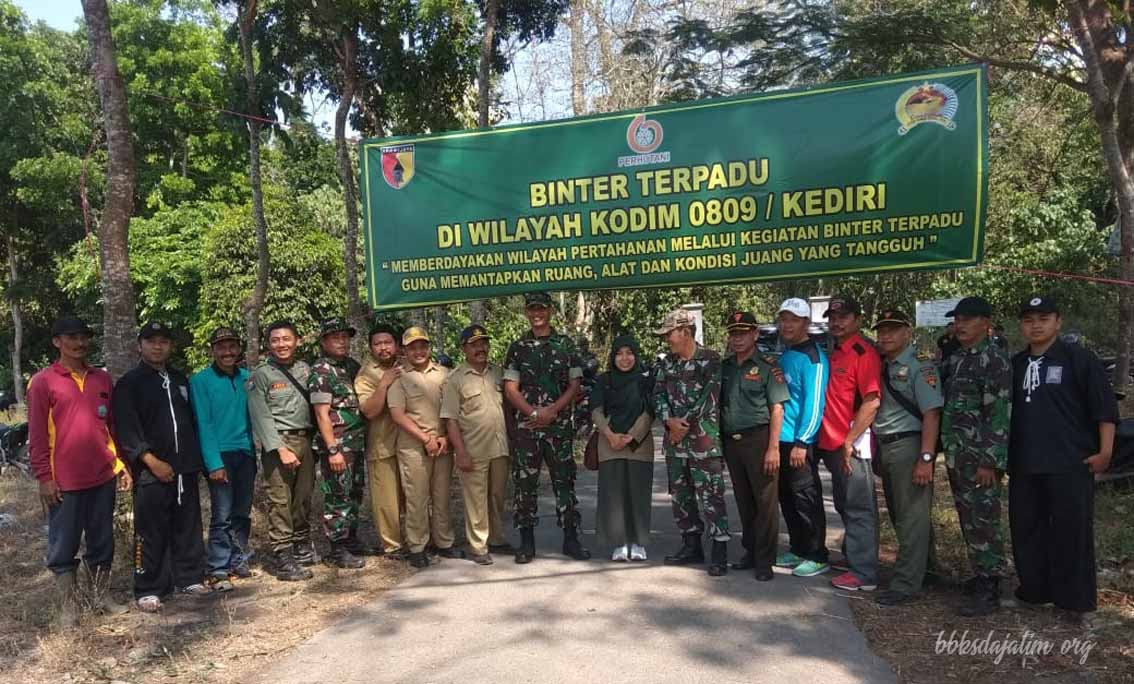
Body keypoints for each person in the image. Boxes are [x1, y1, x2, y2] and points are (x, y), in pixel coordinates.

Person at [1009, 295, 1117, 624]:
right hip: (1025, 464)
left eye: (1044, 318)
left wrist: (1105, 452)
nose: (1036, 325)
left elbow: (1104, 408)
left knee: (1072, 532)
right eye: (1029, 319)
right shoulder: (1015, 364)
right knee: (1026, 529)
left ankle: (1074, 602)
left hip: (1070, 463)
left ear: (1058, 321)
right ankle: (1034, 591)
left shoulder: (1079, 359)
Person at [28, 316, 133, 626]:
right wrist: (44, 478)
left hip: (102, 475)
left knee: (102, 541)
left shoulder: (101, 379)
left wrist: (121, 465)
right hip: (64, 481)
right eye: (71, 337)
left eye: (84, 337)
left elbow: (109, 427)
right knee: (63, 544)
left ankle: (101, 597)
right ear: (57, 342)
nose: (79, 343)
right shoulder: (43, 381)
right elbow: (36, 435)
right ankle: (68, 607)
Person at [113, 321, 209, 612]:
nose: (158, 346)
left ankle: (189, 577)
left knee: (188, 526)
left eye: (164, 341)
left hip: (185, 469)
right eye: (151, 341)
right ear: (139, 345)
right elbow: (128, 430)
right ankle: (149, 586)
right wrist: (151, 462)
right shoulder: (130, 383)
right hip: (151, 472)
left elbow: (191, 423)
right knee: (150, 530)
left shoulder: (180, 379)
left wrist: (195, 463)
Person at [504, 291, 590, 564]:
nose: (536, 313)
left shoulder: (566, 345)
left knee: (564, 482)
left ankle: (570, 539)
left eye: (541, 308)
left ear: (550, 310)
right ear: (527, 312)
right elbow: (510, 388)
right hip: (527, 427)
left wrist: (552, 411)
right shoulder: (517, 347)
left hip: (558, 426)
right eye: (532, 309)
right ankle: (526, 542)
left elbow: (575, 384)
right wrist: (533, 413)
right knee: (525, 485)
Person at [941, 296, 1011, 617]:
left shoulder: (994, 360)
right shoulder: (957, 359)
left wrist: (991, 461)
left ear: (986, 323)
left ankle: (991, 586)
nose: (960, 325)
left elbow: (999, 413)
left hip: (980, 459)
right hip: (958, 455)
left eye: (968, 319)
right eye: (957, 319)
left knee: (984, 519)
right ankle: (980, 573)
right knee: (968, 516)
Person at [871, 309, 943, 606]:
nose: (885, 335)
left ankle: (904, 584)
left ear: (907, 332)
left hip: (910, 445)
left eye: (893, 329)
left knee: (911, 516)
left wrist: (926, 458)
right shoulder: (882, 364)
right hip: (887, 445)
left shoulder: (920, 367)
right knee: (903, 515)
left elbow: (932, 414)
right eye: (882, 330)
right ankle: (925, 571)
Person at [653, 308, 730, 576]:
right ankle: (691, 544)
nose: (667, 339)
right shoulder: (667, 363)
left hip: (703, 442)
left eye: (670, 333)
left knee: (711, 495)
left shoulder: (711, 360)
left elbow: (709, 398)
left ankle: (719, 549)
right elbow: (658, 394)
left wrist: (681, 425)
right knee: (681, 496)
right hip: (675, 443)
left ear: (685, 332)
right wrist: (668, 421)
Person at [817, 296, 882, 592]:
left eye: (843, 316)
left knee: (860, 506)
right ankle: (855, 557)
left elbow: (872, 401)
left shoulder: (862, 352)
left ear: (857, 319)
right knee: (845, 503)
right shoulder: (833, 351)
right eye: (832, 316)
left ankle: (864, 573)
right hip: (831, 442)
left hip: (853, 445)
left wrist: (850, 439)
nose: (836, 322)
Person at [719, 312, 789, 581]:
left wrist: (773, 448)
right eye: (734, 334)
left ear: (755, 334)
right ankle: (750, 552)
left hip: (759, 441)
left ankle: (764, 560)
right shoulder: (726, 368)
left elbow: (777, 409)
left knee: (765, 503)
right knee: (744, 501)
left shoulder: (768, 367)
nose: (738, 339)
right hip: (732, 442)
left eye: (743, 333)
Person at [247, 320, 317, 582]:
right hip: (278, 443)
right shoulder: (261, 375)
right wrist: (279, 449)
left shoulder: (305, 370)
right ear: (268, 344)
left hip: (305, 440)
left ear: (297, 341)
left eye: (287, 339)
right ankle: (283, 557)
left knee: (303, 497)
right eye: (275, 340)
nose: (281, 344)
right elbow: (261, 415)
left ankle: (301, 546)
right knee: (280, 501)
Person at [190, 327, 255, 592]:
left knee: (242, 511)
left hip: (246, 452)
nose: (227, 352)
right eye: (221, 347)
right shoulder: (201, 381)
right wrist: (213, 462)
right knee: (222, 514)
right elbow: (203, 423)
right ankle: (217, 566)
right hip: (220, 454)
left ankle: (238, 559)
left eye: (232, 347)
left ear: (239, 349)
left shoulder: (247, 378)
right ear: (212, 351)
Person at [442, 325, 512, 565]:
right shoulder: (455, 379)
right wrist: (460, 452)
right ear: (464, 348)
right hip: (473, 448)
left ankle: (496, 538)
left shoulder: (498, 373)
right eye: (474, 344)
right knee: (476, 499)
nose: (480, 348)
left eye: (483, 343)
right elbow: (450, 418)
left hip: (500, 447)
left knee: (497, 495)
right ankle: (478, 546)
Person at [772, 297, 830, 578]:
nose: (787, 325)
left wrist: (803, 441)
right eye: (783, 319)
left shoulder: (814, 357)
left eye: (793, 320)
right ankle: (798, 548)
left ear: (806, 323)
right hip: (780, 440)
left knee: (806, 497)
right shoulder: (787, 353)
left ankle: (817, 554)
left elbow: (814, 402)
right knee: (787, 497)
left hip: (799, 442)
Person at [389, 326, 456, 568]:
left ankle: (444, 541)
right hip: (413, 447)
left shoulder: (446, 374)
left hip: (443, 443)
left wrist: (447, 437)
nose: (418, 351)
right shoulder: (399, 377)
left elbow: (454, 409)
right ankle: (417, 546)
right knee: (417, 498)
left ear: (428, 347)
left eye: (422, 346)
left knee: (441, 495)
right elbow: (398, 414)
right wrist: (425, 439)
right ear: (404, 350)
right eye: (412, 347)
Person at [309, 316, 373, 569]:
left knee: (354, 493)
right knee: (338, 496)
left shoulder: (351, 366)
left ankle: (350, 539)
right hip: (337, 447)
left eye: (345, 337)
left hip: (355, 445)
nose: (342, 341)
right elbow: (321, 414)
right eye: (336, 337)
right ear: (324, 341)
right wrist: (333, 449)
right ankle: (337, 548)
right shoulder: (321, 372)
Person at [590, 333, 656, 563]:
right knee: (613, 494)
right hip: (610, 443)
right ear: (613, 356)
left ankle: (637, 543)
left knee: (637, 493)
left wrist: (631, 435)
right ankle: (618, 543)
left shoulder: (645, 380)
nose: (624, 358)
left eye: (629, 353)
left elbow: (650, 411)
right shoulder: (604, 380)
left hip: (639, 443)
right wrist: (610, 435)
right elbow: (596, 410)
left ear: (636, 356)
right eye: (619, 353)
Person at [354, 322, 406, 557]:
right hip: (382, 443)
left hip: (410, 442)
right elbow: (369, 411)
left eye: (388, 342)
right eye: (378, 344)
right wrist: (384, 384)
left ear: (396, 345)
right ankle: (392, 546)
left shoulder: (408, 364)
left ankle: (418, 540)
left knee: (414, 496)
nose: (383, 348)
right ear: (371, 348)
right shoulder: (366, 374)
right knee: (387, 500)